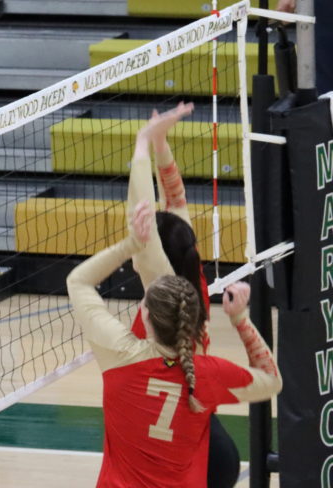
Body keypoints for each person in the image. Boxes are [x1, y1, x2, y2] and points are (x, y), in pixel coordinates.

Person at [67, 197, 283, 487]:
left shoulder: (121, 354)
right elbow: (272, 380)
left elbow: (78, 281)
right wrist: (240, 320)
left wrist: (131, 244)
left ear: (145, 317)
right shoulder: (207, 374)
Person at [125, 103, 240, 487]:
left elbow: (142, 205)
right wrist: (160, 142)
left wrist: (144, 141)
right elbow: (175, 201)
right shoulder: (192, 282)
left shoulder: (160, 292)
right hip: (208, 446)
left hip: (185, 456)